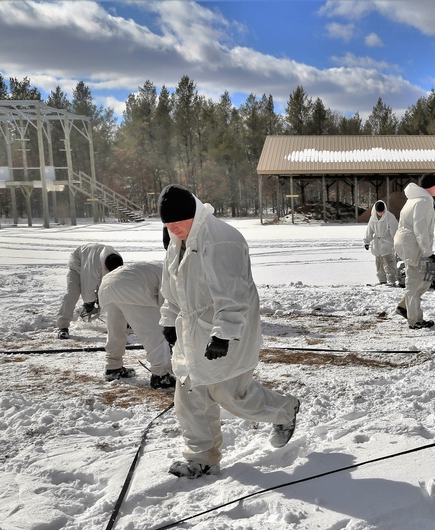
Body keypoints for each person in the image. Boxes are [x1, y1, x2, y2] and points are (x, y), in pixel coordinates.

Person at [157, 184, 301, 479]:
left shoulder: (221, 240)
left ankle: (285, 409)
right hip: (192, 334)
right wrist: (169, 320)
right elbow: (171, 290)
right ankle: (202, 458)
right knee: (190, 397)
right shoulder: (176, 240)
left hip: (222, 333)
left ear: (193, 214)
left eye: (178, 221)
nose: (173, 227)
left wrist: (224, 333)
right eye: (167, 223)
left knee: (233, 395)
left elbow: (234, 294)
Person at [97, 255, 176, 388]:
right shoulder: (173, 273)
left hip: (106, 285)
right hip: (131, 286)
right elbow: (167, 303)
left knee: (116, 331)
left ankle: (113, 366)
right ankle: (161, 375)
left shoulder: (157, 265)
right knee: (155, 334)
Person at [394, 175, 435, 329]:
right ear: (429, 186)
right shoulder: (422, 202)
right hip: (412, 244)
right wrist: (427, 252)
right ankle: (414, 320)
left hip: (407, 243)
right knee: (415, 281)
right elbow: (420, 229)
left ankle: (404, 306)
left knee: (423, 280)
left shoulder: (414, 199)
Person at [55, 243, 118, 339]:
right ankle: (63, 326)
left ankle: (120, 320)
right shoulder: (93, 265)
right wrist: (90, 303)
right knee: (72, 294)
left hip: (96, 263)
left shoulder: (116, 260)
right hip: (78, 264)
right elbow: (87, 288)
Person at [363, 200, 401, 287]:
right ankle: (382, 280)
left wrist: (397, 242)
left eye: (382, 211)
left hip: (387, 242)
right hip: (377, 243)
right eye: (379, 212)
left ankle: (392, 280)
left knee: (389, 262)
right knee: (379, 263)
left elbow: (395, 231)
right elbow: (369, 230)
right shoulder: (372, 218)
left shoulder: (390, 217)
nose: (381, 213)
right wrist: (366, 241)